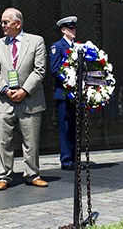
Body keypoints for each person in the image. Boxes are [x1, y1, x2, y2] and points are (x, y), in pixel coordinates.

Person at [0, 7, 49, 190]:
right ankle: (3, 176)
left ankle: (32, 174)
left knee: (31, 142)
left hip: (29, 100)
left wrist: (24, 90)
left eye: (6, 22)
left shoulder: (36, 41)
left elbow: (39, 70)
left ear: (18, 23)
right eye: (2, 22)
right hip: (5, 100)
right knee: (3, 141)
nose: (3, 25)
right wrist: (6, 89)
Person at [48, 15, 78, 170]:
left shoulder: (77, 47)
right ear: (63, 30)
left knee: (74, 126)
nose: (73, 30)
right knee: (65, 127)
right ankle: (66, 159)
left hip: (76, 93)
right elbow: (54, 69)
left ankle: (73, 157)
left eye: (74, 28)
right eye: (70, 28)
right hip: (64, 92)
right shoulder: (57, 46)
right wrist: (69, 80)